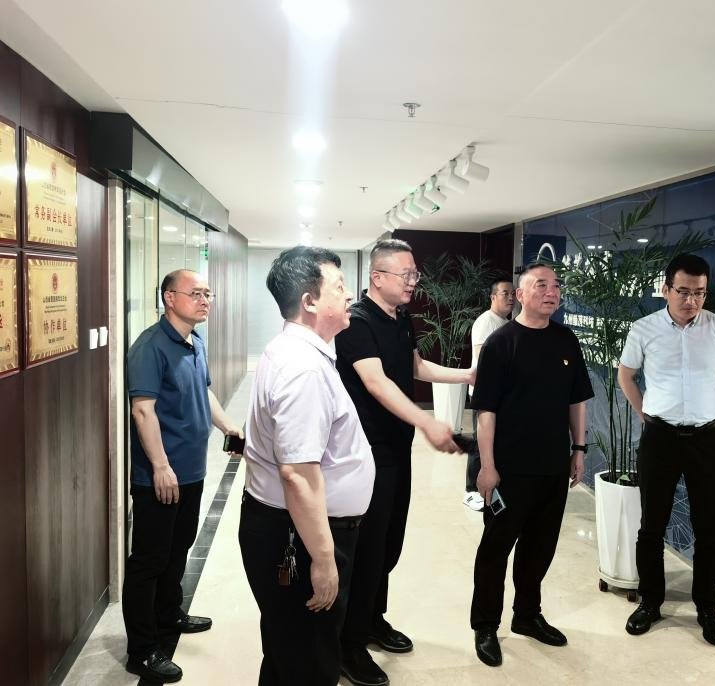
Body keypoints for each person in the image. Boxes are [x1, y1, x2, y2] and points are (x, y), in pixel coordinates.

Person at [335, 239, 473, 686]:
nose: (414, 281)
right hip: (368, 452)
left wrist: (467, 374)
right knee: (367, 548)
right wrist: (427, 421)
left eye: (415, 274)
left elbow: (414, 368)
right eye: (406, 274)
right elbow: (376, 383)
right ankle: (349, 645)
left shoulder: (401, 317)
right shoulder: (356, 322)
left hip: (397, 450)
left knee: (388, 543)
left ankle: (372, 619)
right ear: (377, 278)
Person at [239, 246, 375, 685]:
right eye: (339, 286)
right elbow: (297, 474)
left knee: (289, 650)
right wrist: (323, 558)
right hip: (297, 536)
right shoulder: (304, 369)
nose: (350, 294)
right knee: (309, 660)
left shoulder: (296, 352)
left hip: (291, 529)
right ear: (309, 301)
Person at [470, 262, 594, 668]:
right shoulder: (501, 343)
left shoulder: (566, 339)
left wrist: (579, 449)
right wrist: (487, 466)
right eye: (541, 285)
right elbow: (485, 411)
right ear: (520, 295)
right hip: (509, 468)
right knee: (496, 549)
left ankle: (526, 614)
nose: (551, 292)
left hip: (552, 466)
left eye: (555, 285)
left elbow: (577, 399)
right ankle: (485, 625)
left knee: (540, 547)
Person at [123, 269, 242, 683]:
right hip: (161, 475)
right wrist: (160, 466)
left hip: (191, 470)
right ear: (169, 298)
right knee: (150, 560)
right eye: (196, 293)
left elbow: (204, 391)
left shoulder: (196, 341)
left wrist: (228, 426)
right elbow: (143, 410)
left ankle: (169, 614)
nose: (204, 300)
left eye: (208, 293)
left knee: (179, 548)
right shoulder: (150, 347)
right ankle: (141, 650)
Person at [617, 253, 715, 647]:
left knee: (709, 527)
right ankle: (651, 602)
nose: (692, 300)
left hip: (707, 439)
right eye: (684, 291)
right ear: (666, 289)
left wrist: (714, 410)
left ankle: (707, 606)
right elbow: (626, 375)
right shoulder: (644, 329)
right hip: (660, 438)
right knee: (652, 525)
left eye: (699, 293)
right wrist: (646, 414)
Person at [463, 276, 515, 511]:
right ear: (493, 297)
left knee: (492, 442)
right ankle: (471, 491)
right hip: (484, 392)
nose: (511, 298)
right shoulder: (486, 321)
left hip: (502, 394)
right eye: (505, 294)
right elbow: (482, 359)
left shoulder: (506, 322)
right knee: (479, 442)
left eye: (513, 294)